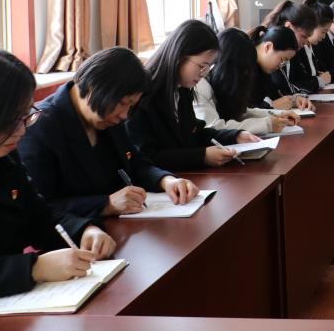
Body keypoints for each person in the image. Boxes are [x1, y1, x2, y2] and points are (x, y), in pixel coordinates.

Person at [19, 48, 200, 219]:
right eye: (123, 103)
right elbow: (40, 206)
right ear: (93, 88)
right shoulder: (40, 128)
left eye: (130, 106)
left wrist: (165, 180)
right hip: (76, 235)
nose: (124, 115)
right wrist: (106, 204)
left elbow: (134, 161)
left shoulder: (107, 116)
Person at [0, 50, 116, 296]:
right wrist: (34, 268)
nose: (22, 130)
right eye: (12, 119)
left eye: (25, 115)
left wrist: (84, 230)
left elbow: (40, 215)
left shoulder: (6, 155)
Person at [127, 19, 258, 171]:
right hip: (166, 182)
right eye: (201, 66)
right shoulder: (142, 96)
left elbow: (195, 133)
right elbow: (147, 157)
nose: (204, 74)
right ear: (179, 56)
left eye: (208, 67)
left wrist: (235, 136)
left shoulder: (182, 90)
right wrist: (202, 156)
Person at [195, 29, 301, 136]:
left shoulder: (223, 81)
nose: (245, 75)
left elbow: (242, 112)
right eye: (243, 70)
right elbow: (214, 128)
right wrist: (267, 124)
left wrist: (278, 114)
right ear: (228, 67)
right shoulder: (200, 86)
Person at [248, 26, 313, 111]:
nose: (280, 65)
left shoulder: (264, 70)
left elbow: (276, 96)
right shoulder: (243, 68)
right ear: (268, 47)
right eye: (282, 59)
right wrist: (272, 106)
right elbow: (241, 111)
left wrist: (294, 100)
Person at [263, 0, 320, 94]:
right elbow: (284, 89)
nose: (306, 42)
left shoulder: (294, 51)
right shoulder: (274, 50)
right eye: (304, 36)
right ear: (288, 27)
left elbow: (303, 80)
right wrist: (317, 81)